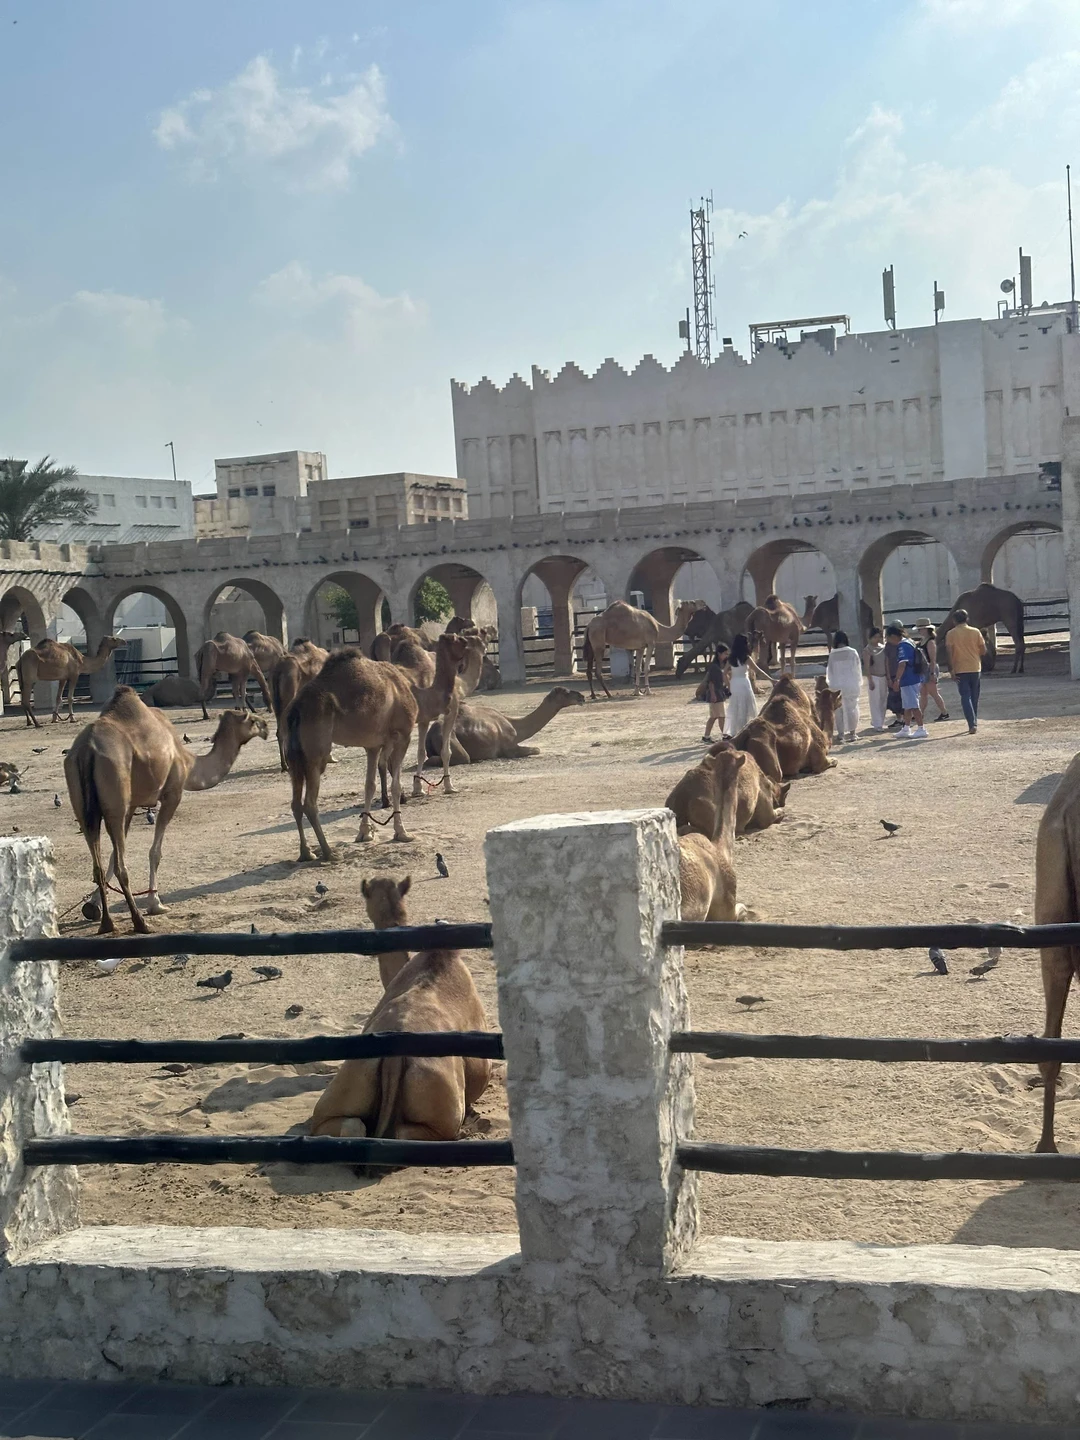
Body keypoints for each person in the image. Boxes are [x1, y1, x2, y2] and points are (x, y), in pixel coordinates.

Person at [944, 607, 986, 733]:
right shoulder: (975, 632)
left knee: (965, 696)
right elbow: (983, 650)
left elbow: (949, 653)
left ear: (954, 620)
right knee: (974, 696)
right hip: (975, 667)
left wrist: (951, 670)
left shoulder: (951, 634)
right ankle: (975, 721)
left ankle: (971, 723)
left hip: (960, 668)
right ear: (967, 619)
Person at [885, 622, 928, 739]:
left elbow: (902, 664)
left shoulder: (903, 646)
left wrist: (897, 679)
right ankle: (906, 728)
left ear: (893, 636)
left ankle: (921, 728)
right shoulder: (909, 642)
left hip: (909, 679)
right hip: (911, 678)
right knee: (907, 705)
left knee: (913, 705)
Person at [725, 632, 771, 736]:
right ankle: (745, 731)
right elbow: (758, 671)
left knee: (735, 707)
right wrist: (771, 680)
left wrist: (729, 685)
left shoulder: (731, 659)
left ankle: (734, 732)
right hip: (744, 684)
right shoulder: (746, 658)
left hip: (734, 684)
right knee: (745, 707)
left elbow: (724, 673)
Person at [825, 630, 863, 742]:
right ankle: (852, 734)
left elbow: (830, 671)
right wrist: (858, 683)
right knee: (852, 708)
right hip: (851, 684)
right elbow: (857, 669)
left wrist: (830, 685)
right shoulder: (853, 652)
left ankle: (841, 735)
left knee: (838, 710)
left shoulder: (832, 654)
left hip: (836, 685)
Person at [914, 618, 949, 721]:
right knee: (923, 693)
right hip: (924, 668)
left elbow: (932, 659)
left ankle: (944, 712)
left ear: (926, 629)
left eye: (921, 629)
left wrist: (932, 672)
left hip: (929, 668)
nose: (919, 631)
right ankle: (921, 714)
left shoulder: (930, 642)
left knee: (933, 693)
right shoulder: (923, 641)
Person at [701, 643, 731, 742]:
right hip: (715, 693)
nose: (726, 656)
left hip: (719, 692)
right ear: (719, 653)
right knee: (720, 716)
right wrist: (713, 694)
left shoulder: (721, 665)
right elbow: (711, 682)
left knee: (714, 716)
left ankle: (707, 736)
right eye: (725, 654)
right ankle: (725, 735)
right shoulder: (714, 667)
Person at [862, 626, 888, 732]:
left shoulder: (883, 648)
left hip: (884, 677)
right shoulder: (867, 650)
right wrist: (870, 680)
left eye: (879, 637)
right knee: (875, 701)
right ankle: (877, 723)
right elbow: (867, 666)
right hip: (874, 677)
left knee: (883, 700)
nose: (877, 639)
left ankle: (880, 721)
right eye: (875, 637)